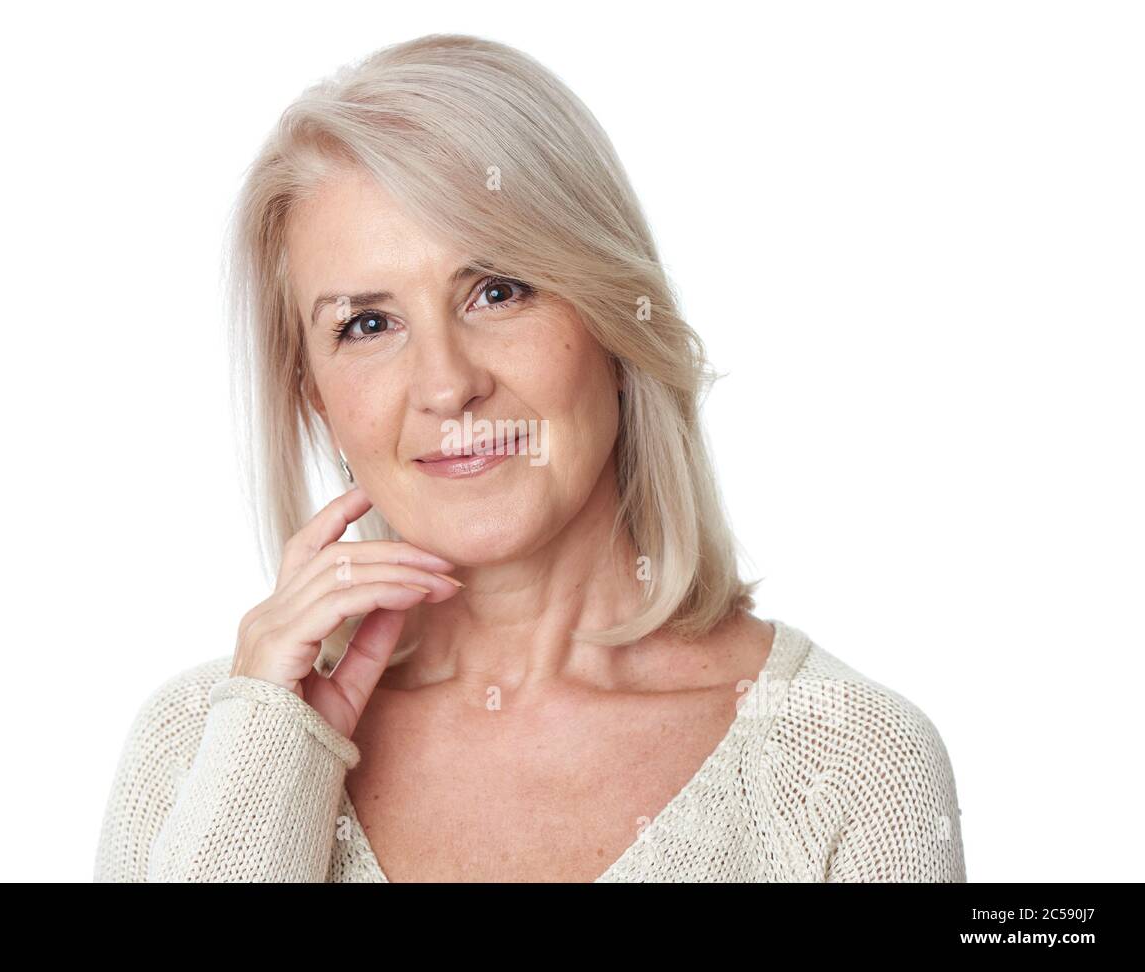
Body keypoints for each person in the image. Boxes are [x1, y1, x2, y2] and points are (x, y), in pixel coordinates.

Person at [93, 33, 965, 883]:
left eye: (497, 291)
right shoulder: (200, 749)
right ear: (314, 392)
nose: (447, 385)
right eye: (367, 323)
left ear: (617, 320)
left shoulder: (850, 763)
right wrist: (266, 766)